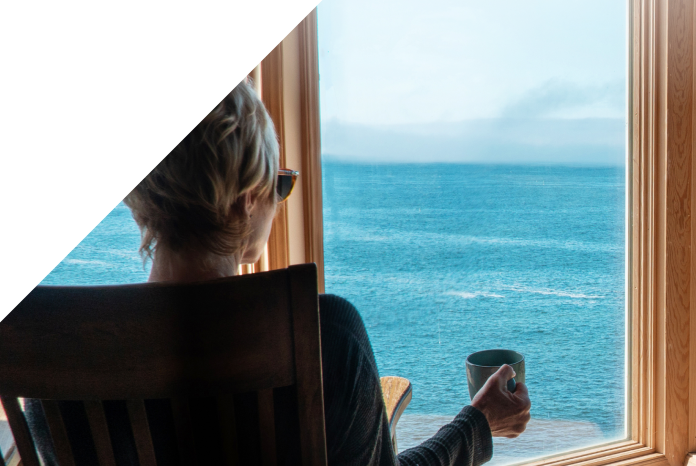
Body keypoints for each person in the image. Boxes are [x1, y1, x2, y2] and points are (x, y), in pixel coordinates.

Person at [31, 79, 530, 466]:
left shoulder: (53, 356)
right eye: (281, 184)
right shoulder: (325, 334)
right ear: (246, 198)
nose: (279, 200)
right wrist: (477, 424)